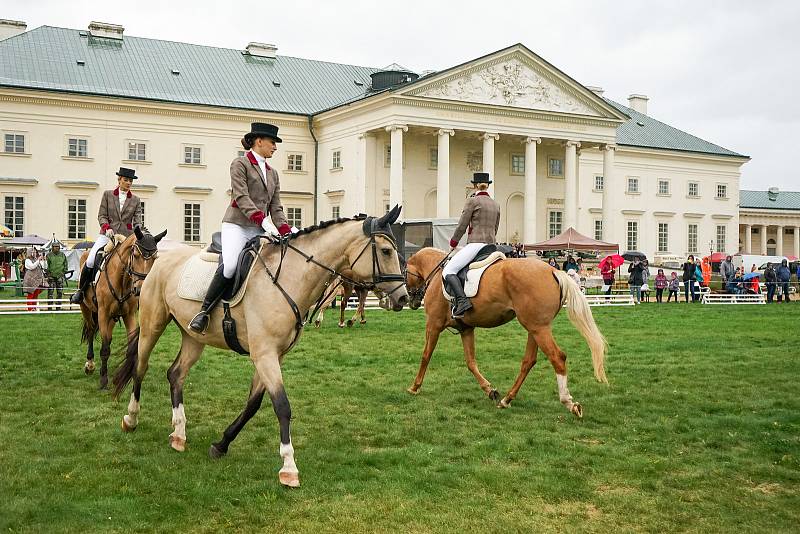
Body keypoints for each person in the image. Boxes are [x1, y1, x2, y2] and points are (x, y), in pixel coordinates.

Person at [189, 123, 292, 332]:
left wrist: (286, 230)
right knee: (230, 266)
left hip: (260, 229)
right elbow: (241, 196)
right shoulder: (240, 164)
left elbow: (276, 207)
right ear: (259, 141)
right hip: (237, 225)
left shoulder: (273, 174)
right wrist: (261, 219)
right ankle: (204, 312)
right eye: (273, 142)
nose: (275, 147)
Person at [71, 167, 144, 304]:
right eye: (126, 180)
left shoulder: (135, 200)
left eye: (130, 181)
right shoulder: (108, 195)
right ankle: (81, 291)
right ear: (119, 180)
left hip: (126, 238)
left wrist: (139, 233)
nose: (128, 183)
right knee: (91, 259)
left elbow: (137, 221)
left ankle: (138, 293)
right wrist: (106, 227)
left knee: (138, 261)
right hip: (107, 235)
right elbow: (102, 215)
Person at [441, 172, 500, 319]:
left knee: (448, 270)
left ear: (474, 185)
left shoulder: (472, 201)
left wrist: (453, 242)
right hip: (491, 245)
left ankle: (462, 302)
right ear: (488, 186)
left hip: (475, 244)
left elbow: (462, 225)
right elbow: (496, 228)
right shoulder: (496, 204)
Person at [45, 242, 68, 310]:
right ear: (52, 247)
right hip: (51, 276)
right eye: (55, 246)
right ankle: (49, 307)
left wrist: (63, 272)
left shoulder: (62, 255)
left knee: (60, 292)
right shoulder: (49, 255)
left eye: (58, 246)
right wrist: (48, 274)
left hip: (60, 276)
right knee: (50, 292)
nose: (57, 248)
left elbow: (66, 264)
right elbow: (47, 265)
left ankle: (58, 307)